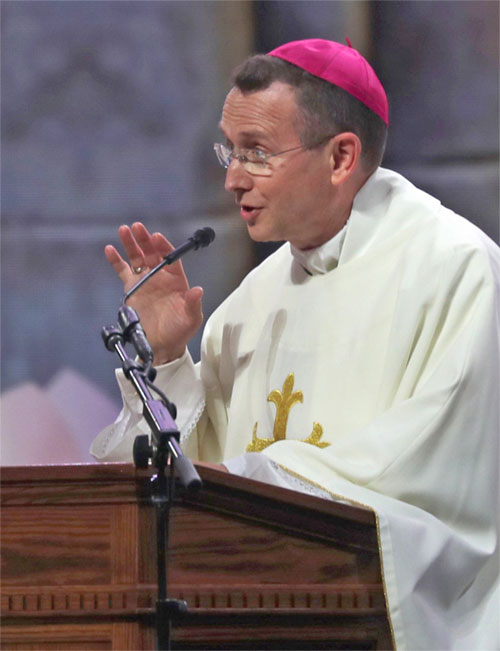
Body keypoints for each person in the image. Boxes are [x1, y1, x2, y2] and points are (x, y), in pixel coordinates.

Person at [91, 40, 499, 650]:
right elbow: (189, 483)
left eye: (256, 153)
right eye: (228, 150)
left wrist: (260, 480)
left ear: (340, 157)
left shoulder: (458, 269)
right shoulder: (248, 307)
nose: (231, 178)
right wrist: (169, 358)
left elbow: (433, 471)